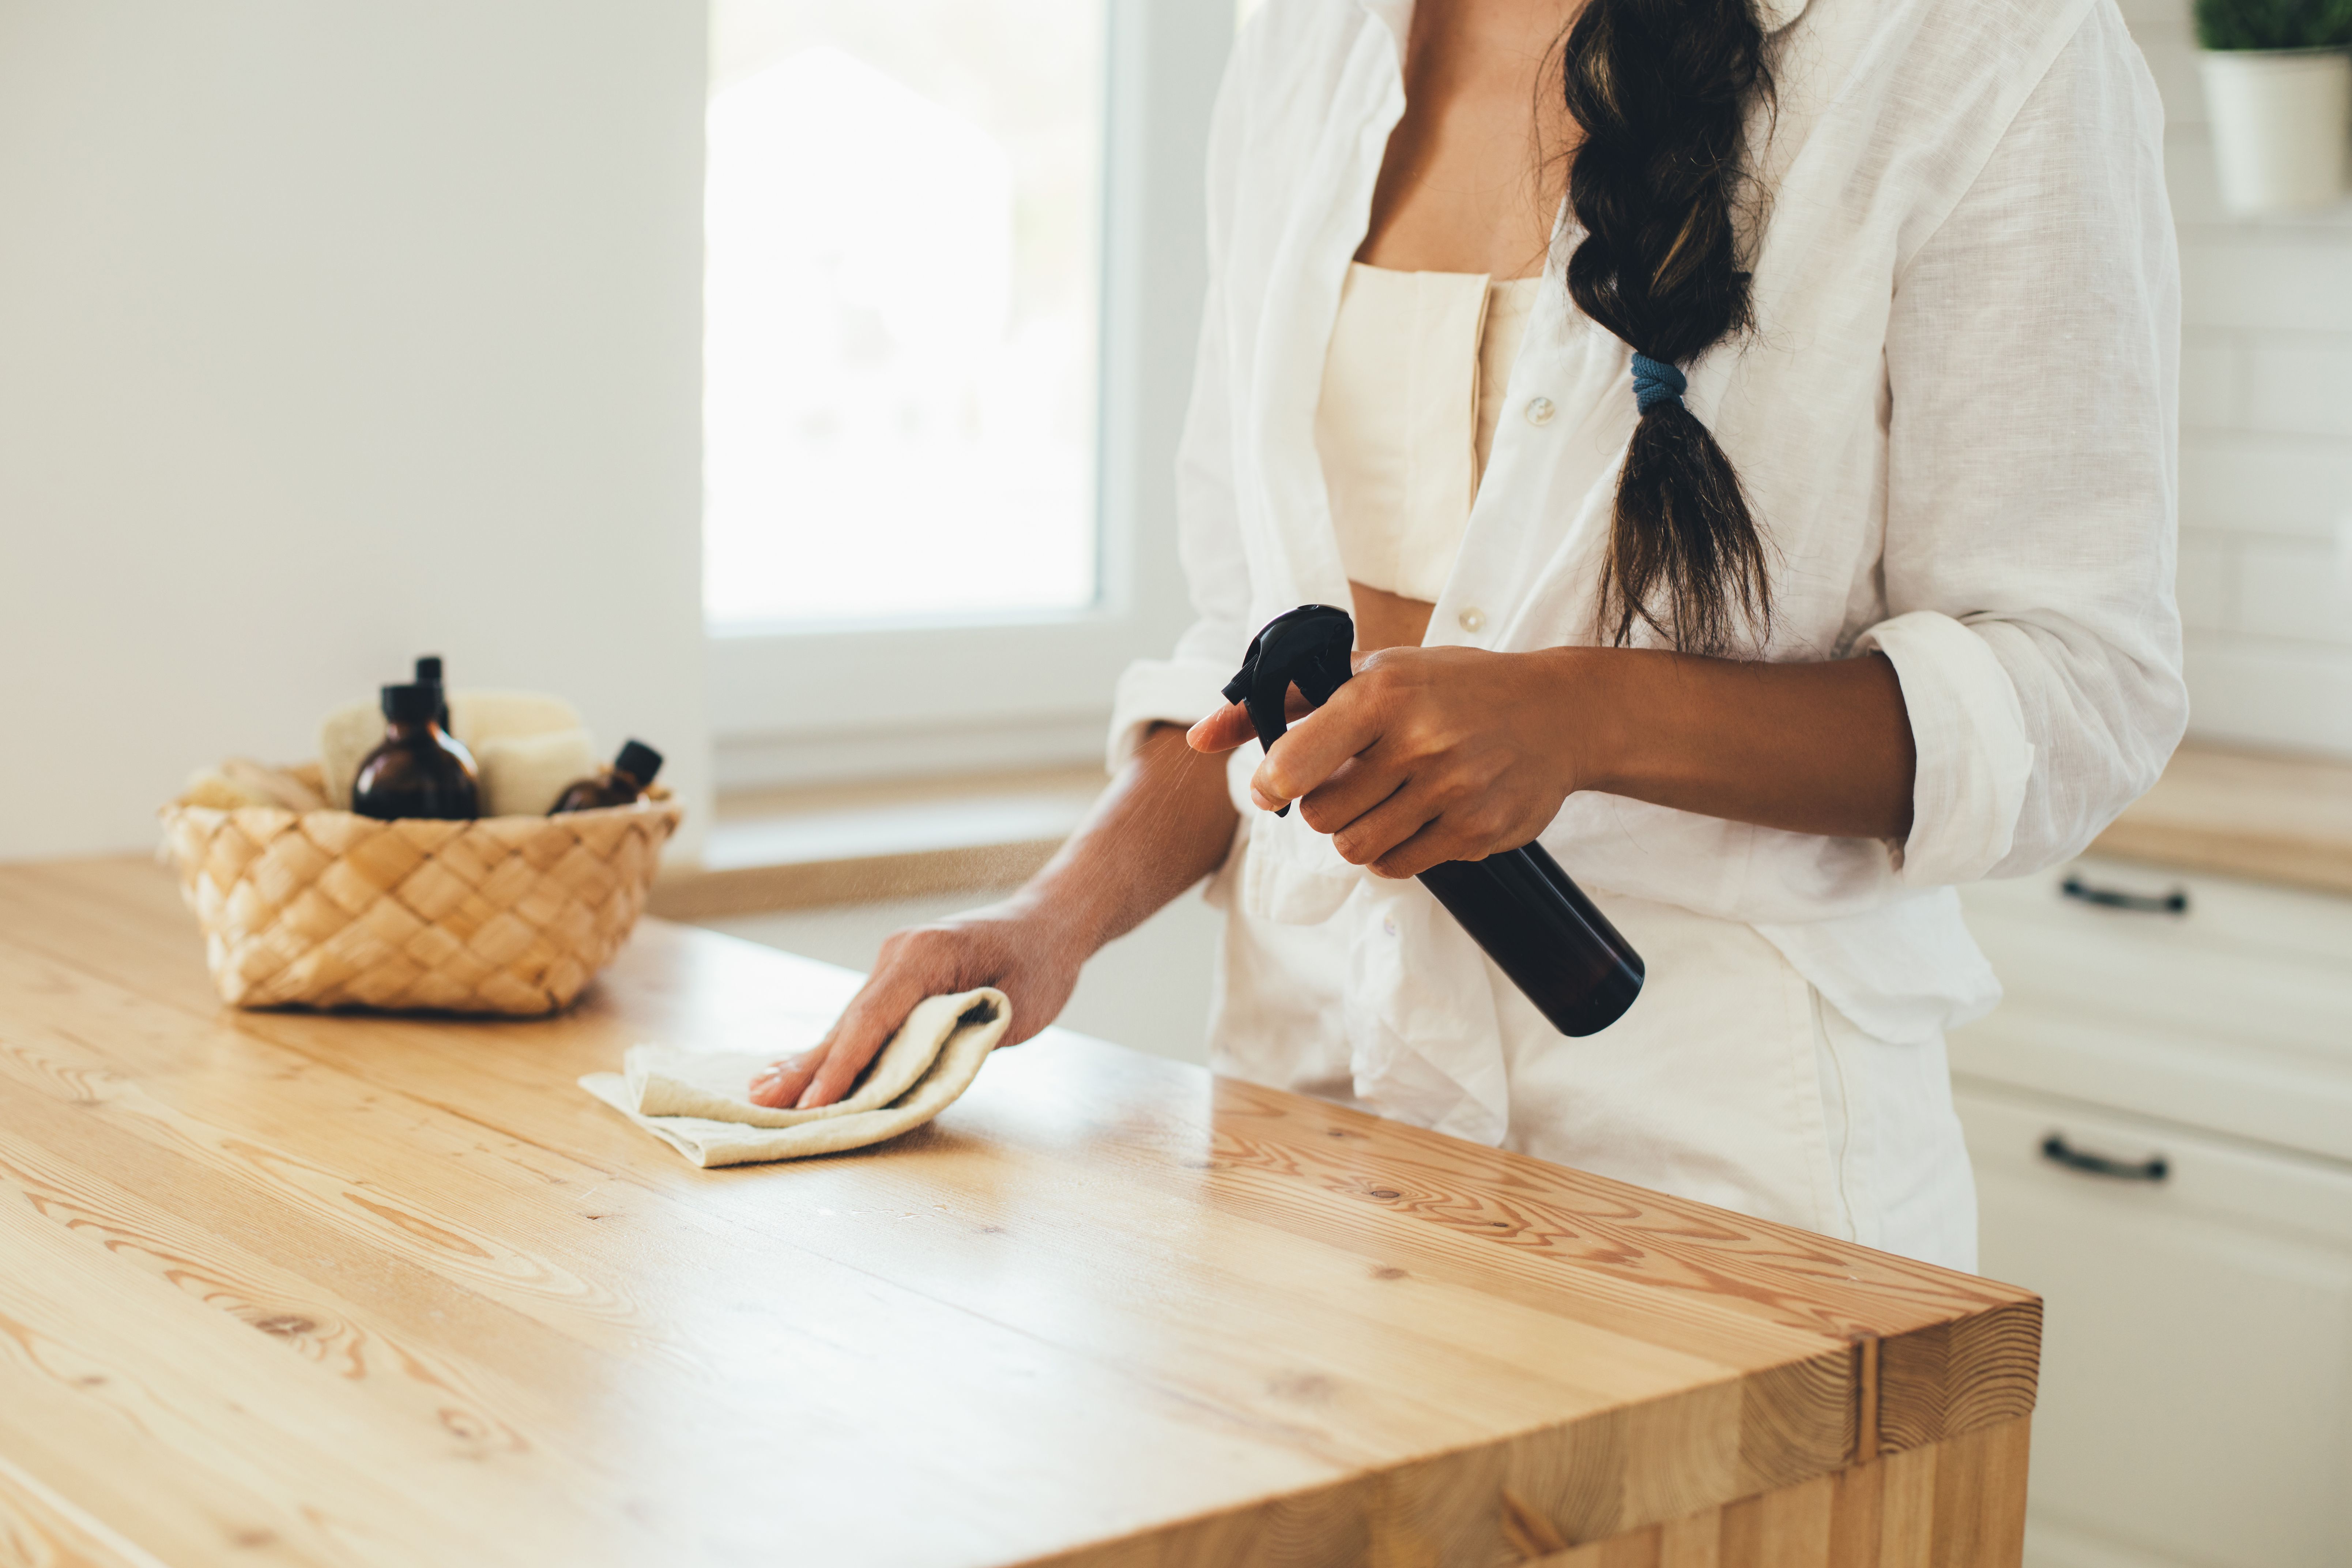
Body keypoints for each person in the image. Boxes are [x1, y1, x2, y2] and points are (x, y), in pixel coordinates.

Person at [751, 0, 2184, 1271]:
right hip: (1307, 1150)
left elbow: (2079, 682)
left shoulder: (1979, 45)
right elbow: (1250, 646)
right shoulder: (1306, 49)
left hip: (1723, 1190)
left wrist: (1585, 716)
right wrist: (1045, 925)